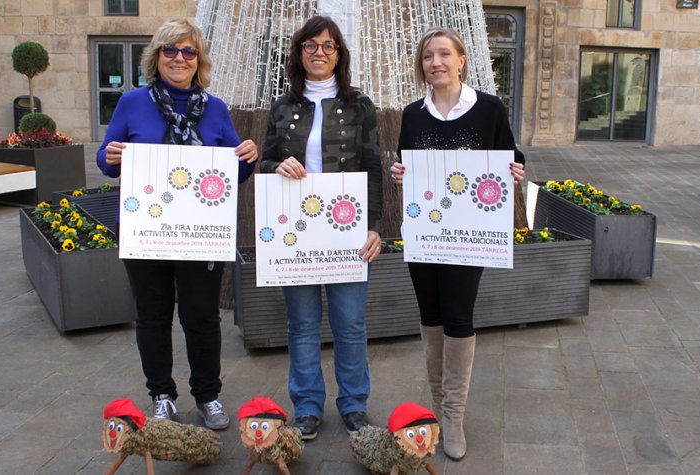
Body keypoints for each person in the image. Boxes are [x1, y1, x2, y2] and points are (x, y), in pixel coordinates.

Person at [96, 18, 258, 431]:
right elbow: (107, 160)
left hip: (200, 234)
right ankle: (162, 395)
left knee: (201, 317)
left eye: (188, 51)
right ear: (156, 56)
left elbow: (234, 173)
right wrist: (109, 155)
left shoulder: (215, 109)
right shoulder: (132, 103)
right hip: (147, 232)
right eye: (170, 49)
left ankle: (207, 395)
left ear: (198, 60)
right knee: (152, 317)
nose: (179, 58)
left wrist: (247, 157)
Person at [390, 27, 526, 460]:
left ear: (461, 60)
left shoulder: (488, 109)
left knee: (458, 317)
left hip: (468, 237)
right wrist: (399, 173)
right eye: (428, 56)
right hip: (426, 234)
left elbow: (510, 155)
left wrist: (516, 171)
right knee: (430, 315)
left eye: (444, 54)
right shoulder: (413, 114)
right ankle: (437, 407)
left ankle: (454, 416)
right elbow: (405, 162)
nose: (436, 62)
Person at [259, 15, 383, 441]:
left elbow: (372, 168)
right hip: (296, 233)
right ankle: (308, 407)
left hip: (346, 230)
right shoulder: (283, 105)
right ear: (299, 53)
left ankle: (354, 405)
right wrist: (277, 166)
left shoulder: (359, 105)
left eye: (328, 46)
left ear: (339, 54)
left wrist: (375, 227)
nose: (319, 52)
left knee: (350, 323)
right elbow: (264, 162)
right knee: (302, 324)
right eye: (310, 45)